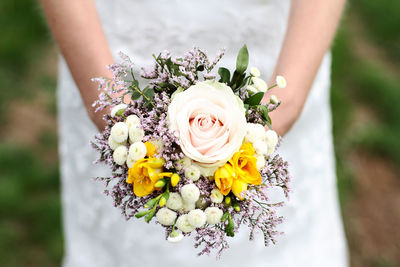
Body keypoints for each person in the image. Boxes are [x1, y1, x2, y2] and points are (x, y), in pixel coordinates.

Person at [40, 0, 348, 266]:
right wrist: (113, 114)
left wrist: (277, 115)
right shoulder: (114, 114)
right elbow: (111, 113)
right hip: (106, 59)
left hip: (282, 62)